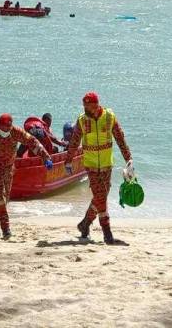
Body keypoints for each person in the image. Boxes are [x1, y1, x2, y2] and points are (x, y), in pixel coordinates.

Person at [65, 92, 132, 244]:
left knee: (101, 196)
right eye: (84, 106)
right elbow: (75, 141)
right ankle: (107, 233)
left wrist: (129, 159)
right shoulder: (82, 120)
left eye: (88, 106)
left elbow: (120, 138)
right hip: (91, 165)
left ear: (96, 105)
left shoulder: (109, 117)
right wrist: (68, 160)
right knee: (101, 196)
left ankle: (85, 224)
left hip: (107, 164)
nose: (86, 109)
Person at [0, 113, 53, 238]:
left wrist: (45, 156)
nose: (3, 131)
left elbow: (32, 142)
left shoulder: (16, 132)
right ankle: (6, 228)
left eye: (6, 129)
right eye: (1, 128)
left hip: (9, 169)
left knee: (4, 200)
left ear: (10, 126)